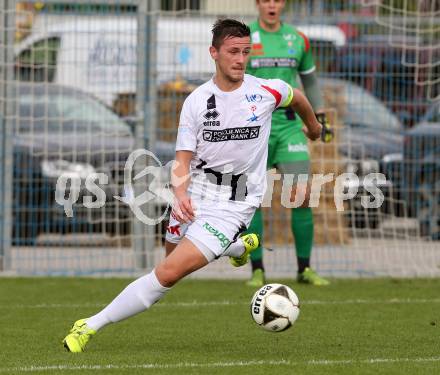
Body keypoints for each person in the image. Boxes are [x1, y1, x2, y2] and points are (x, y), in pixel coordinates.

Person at [62, 18, 322, 353]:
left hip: (235, 205)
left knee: (167, 274)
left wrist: (313, 127)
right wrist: (181, 194)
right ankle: (236, 248)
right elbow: (182, 159)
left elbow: (297, 95)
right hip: (196, 194)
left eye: (245, 52)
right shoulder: (197, 102)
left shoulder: (265, 91)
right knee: (170, 259)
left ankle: (89, 325)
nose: (240, 59)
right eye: (232, 52)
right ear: (214, 53)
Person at [244, 0, 334, 287]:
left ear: (282, 4)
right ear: (258, 4)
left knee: (303, 194)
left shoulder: (298, 39)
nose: (271, 5)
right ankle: (257, 269)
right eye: (266, 0)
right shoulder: (245, 37)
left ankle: (304, 269)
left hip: (289, 125)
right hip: (254, 126)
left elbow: (310, 81)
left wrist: (319, 116)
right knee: (253, 199)